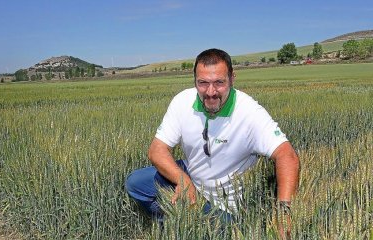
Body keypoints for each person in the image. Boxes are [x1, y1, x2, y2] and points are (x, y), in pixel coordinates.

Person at [125, 48, 299, 223]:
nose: (210, 92)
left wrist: (283, 215)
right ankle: (171, 226)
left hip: (225, 204)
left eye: (219, 82)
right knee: (136, 183)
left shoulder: (250, 113)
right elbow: (157, 150)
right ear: (194, 81)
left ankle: (191, 227)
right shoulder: (182, 102)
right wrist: (183, 181)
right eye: (203, 83)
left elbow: (287, 155)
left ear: (232, 79)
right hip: (192, 175)